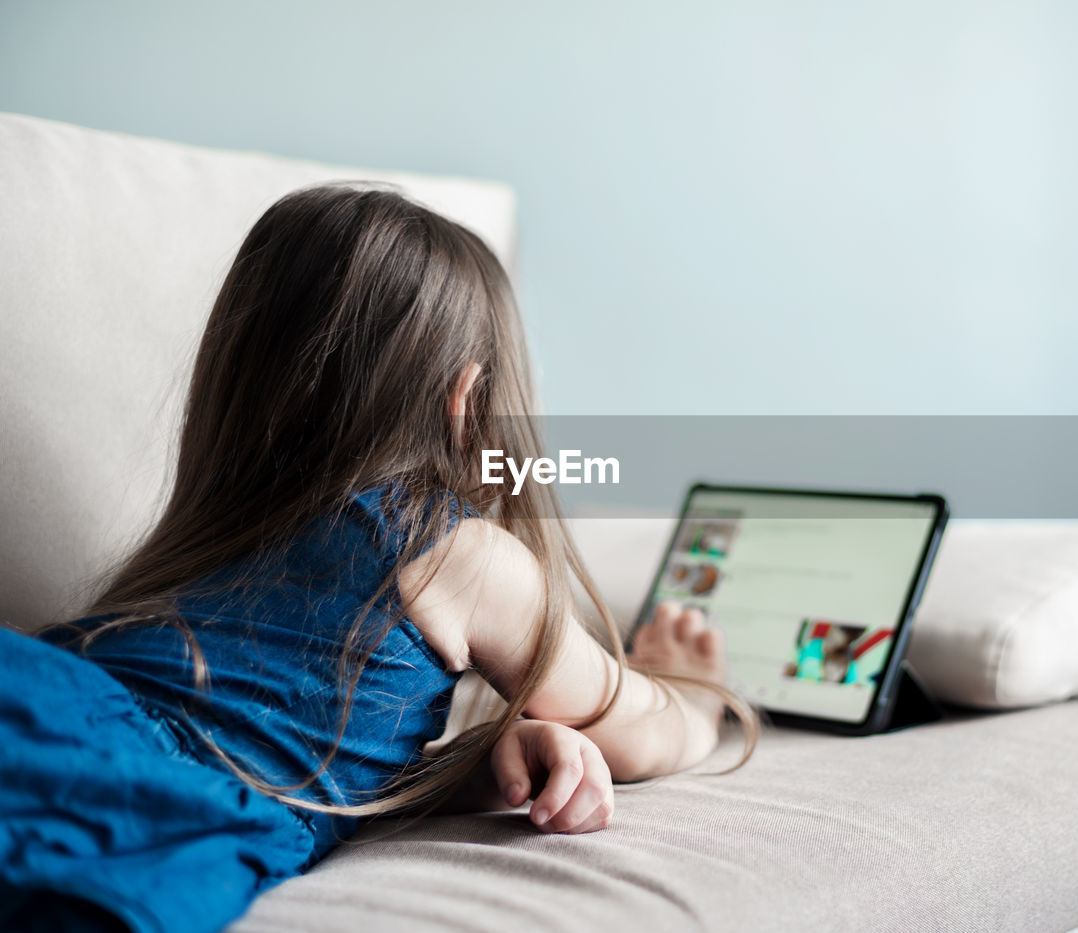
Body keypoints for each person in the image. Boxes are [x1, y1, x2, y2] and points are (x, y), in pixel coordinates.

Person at [0, 184, 761, 933]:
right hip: (131, 794)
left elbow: (277, 726)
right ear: (467, 401)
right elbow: (637, 730)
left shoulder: (203, 547)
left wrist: (465, 763)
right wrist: (695, 697)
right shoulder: (454, 552)